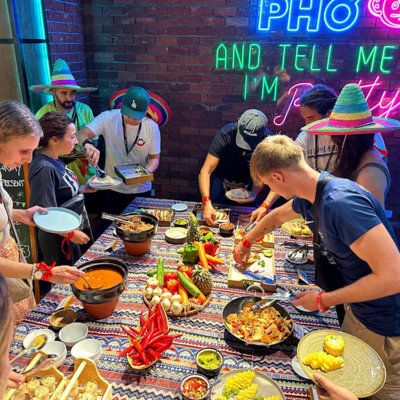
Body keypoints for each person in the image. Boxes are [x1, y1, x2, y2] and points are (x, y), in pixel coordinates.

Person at [233, 134, 400, 400]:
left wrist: (323, 300)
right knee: (344, 384)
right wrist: (246, 241)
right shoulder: (313, 193)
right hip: (358, 309)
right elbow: (278, 216)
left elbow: (394, 277)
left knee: (375, 393)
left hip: (385, 323)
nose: (270, 190)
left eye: (268, 184)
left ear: (277, 177)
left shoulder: (341, 203)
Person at [0, 102, 84, 325]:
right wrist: (41, 272)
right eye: (24, 151)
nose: (29, 160)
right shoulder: (43, 167)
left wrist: (19, 214)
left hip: (12, 267)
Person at [251, 84, 388, 221]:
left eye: (311, 118)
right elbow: (290, 178)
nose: (332, 139)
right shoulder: (307, 137)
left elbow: (370, 221)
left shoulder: (369, 171)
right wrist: (266, 204)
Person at [78, 86, 161, 237]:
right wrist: (87, 144)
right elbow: (82, 134)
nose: (131, 119)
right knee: (108, 233)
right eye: (127, 114)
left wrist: (143, 173)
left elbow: (155, 159)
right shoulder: (108, 118)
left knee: (141, 231)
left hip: (140, 190)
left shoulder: (152, 127)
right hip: (113, 188)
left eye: (136, 116)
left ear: (145, 112)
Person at [29, 112, 95, 266]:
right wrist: (70, 234)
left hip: (70, 231)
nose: (76, 141)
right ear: (54, 140)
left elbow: (61, 193)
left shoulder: (55, 159)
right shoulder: (44, 168)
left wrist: (83, 188)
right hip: (59, 241)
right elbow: (43, 214)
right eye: (71, 137)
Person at [30, 59, 100, 185]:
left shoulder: (85, 110)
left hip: (88, 174)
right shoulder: (43, 114)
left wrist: (90, 148)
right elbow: (39, 151)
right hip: (60, 176)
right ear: (53, 91)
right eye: (63, 93)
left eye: (72, 93)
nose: (69, 98)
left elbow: (95, 140)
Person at [199, 109, 273, 226]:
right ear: (238, 125)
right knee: (213, 222)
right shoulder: (226, 133)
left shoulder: (270, 141)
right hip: (222, 186)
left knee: (248, 226)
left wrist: (252, 195)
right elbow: (205, 171)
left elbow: (270, 176)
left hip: (250, 187)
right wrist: (206, 203)